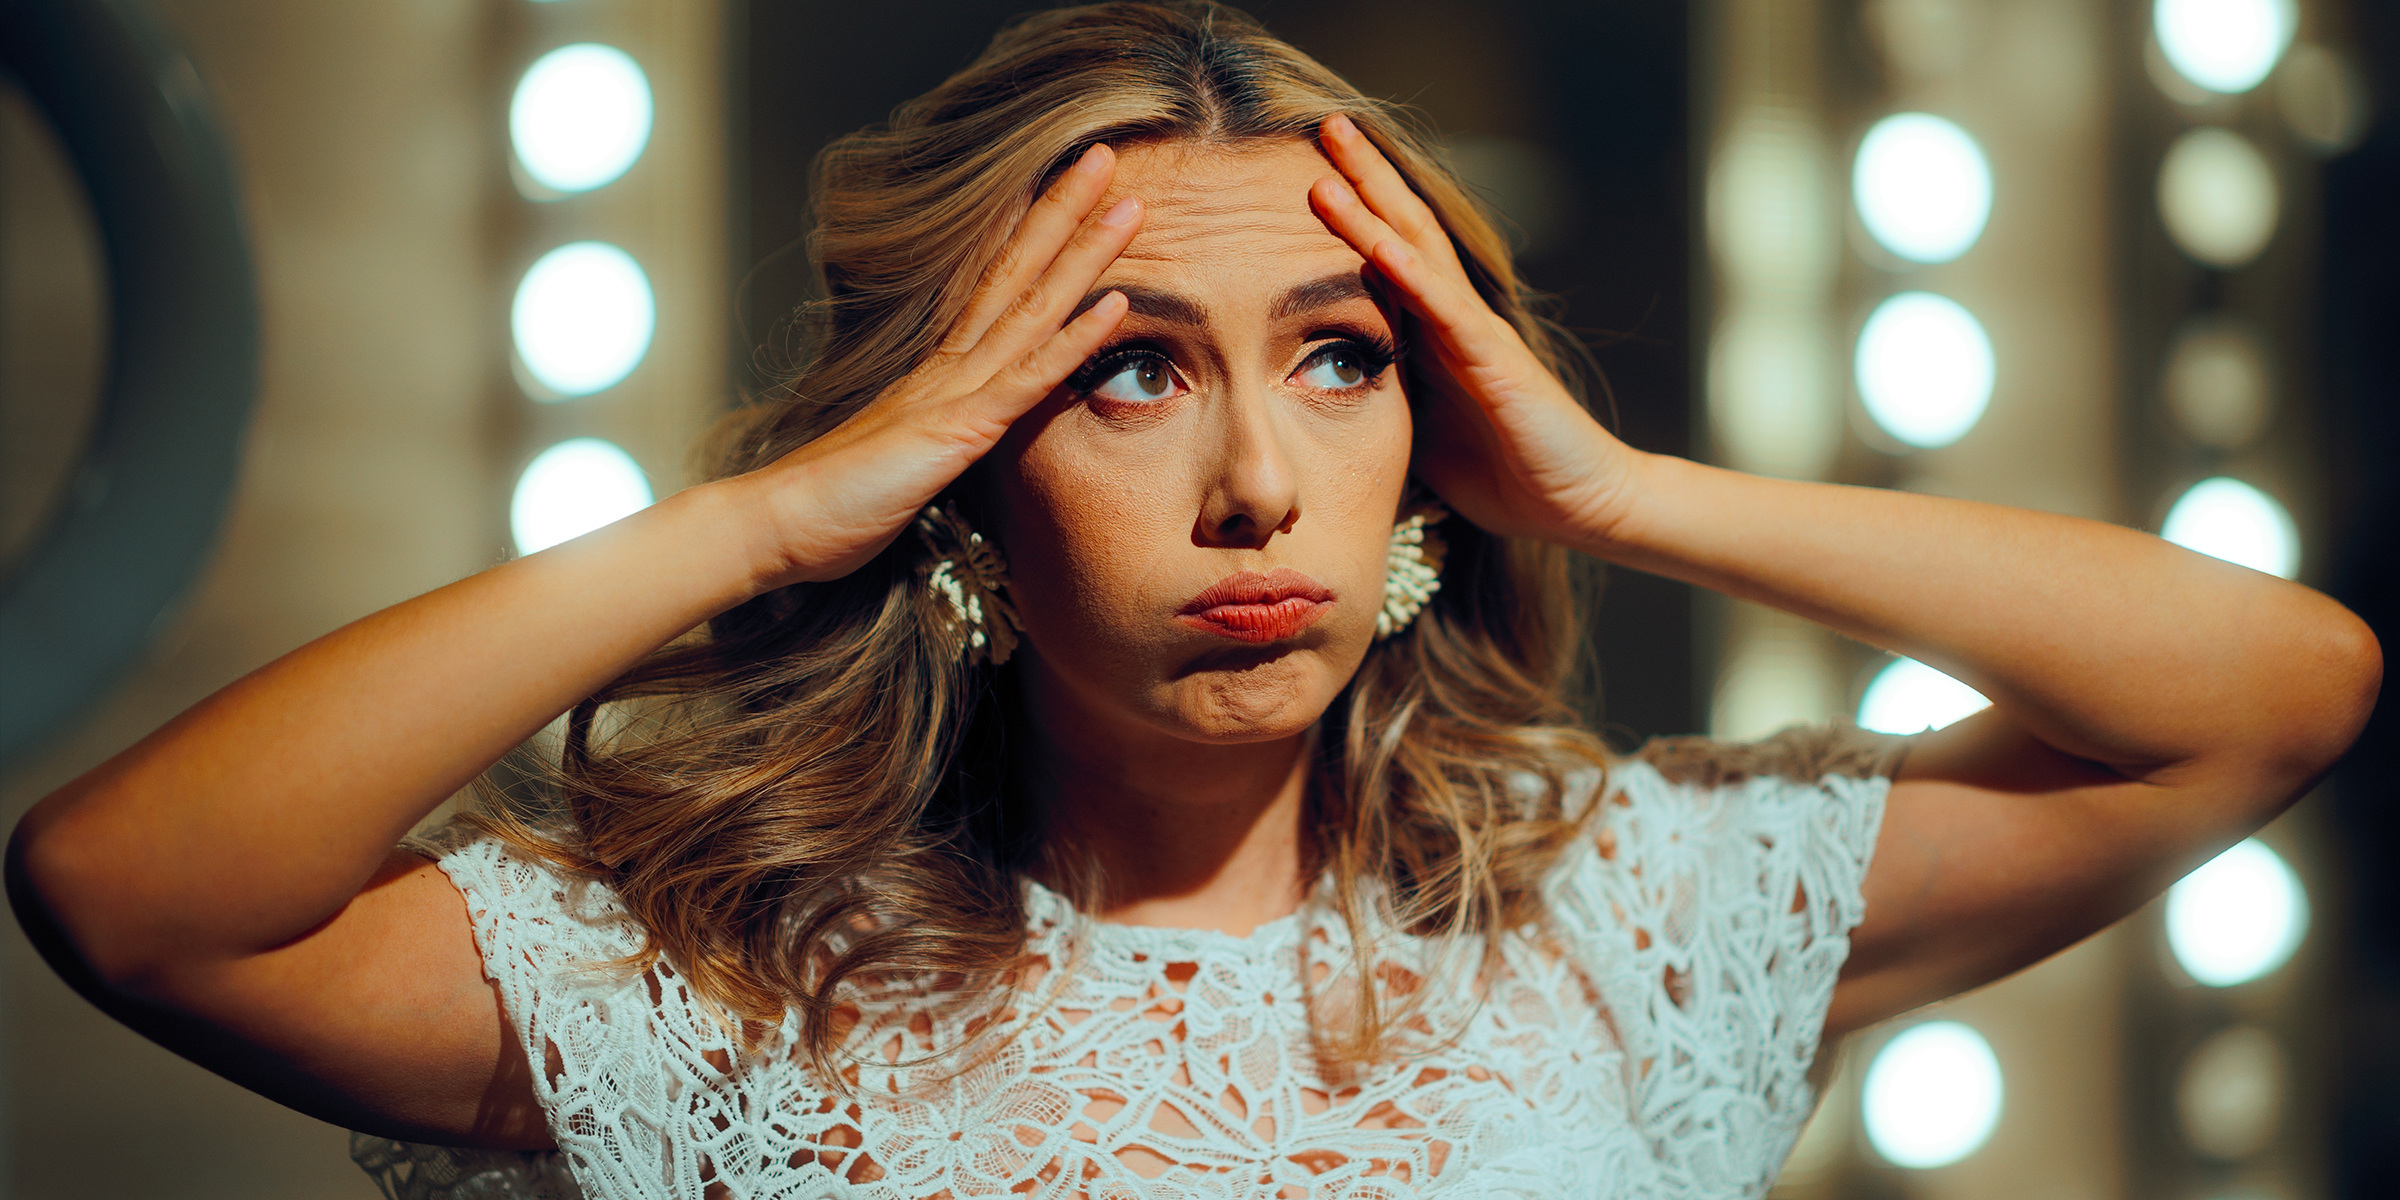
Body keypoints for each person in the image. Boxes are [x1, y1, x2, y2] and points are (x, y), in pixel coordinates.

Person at [8, 3, 2378, 1197]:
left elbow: (2277, 690)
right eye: (1129, 377)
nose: (1262, 484)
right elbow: (128, 893)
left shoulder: (1634, 909)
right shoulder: (719, 989)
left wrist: (1619, 487)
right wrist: (767, 517)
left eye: (1341, 363)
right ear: (966, 466)